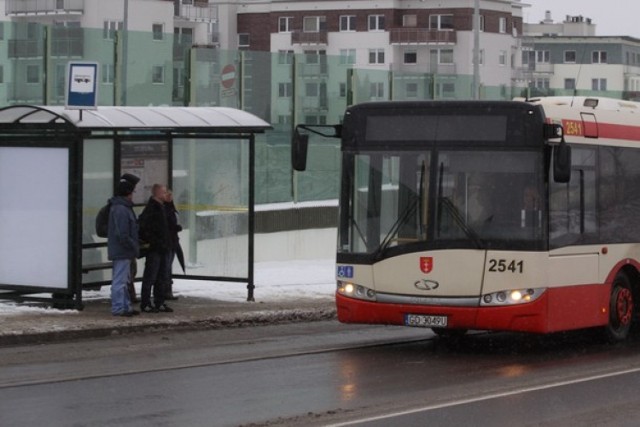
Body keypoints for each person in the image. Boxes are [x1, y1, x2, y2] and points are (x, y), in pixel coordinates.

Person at [107, 173, 141, 317]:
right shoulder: (121, 209)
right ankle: (119, 307)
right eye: (132, 192)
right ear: (127, 192)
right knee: (120, 280)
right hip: (122, 250)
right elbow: (123, 234)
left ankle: (125, 306)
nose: (133, 195)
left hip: (122, 250)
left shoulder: (119, 207)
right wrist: (133, 245)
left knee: (124, 279)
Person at [138, 183, 173, 313]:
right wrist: (154, 242)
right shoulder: (152, 209)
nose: (166, 194)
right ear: (157, 193)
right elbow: (144, 228)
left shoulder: (163, 207)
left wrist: (169, 203)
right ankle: (146, 302)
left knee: (162, 276)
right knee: (151, 276)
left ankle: (160, 301)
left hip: (163, 247)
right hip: (155, 248)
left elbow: (171, 221)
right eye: (164, 192)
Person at [164, 189, 182, 300]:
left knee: (168, 266)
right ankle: (165, 291)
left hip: (172, 241)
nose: (170, 197)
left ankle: (167, 290)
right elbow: (167, 225)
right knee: (166, 267)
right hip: (168, 242)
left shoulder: (170, 208)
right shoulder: (164, 209)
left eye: (171, 194)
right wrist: (175, 228)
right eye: (167, 194)